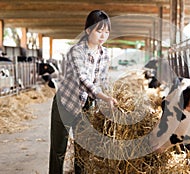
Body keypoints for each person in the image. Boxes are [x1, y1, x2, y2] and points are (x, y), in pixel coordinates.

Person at [49, 10, 118, 174]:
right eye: (99, 31)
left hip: (86, 105)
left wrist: (109, 97)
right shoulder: (76, 51)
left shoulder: (105, 54)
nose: (103, 36)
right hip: (65, 103)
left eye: (106, 31)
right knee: (59, 150)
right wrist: (103, 96)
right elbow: (83, 79)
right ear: (88, 30)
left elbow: (101, 81)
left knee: (83, 151)